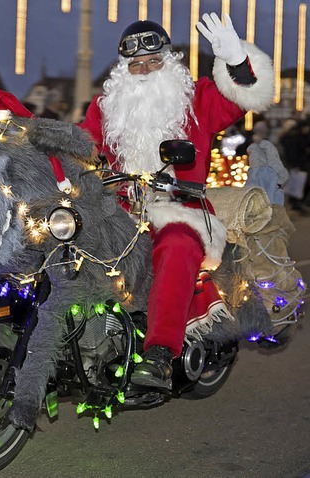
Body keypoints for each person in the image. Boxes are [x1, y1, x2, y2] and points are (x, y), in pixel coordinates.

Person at [80, 13, 273, 389]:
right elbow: (80, 147)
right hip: (118, 211)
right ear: (123, 71)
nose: (145, 70)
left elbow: (240, 101)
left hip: (181, 209)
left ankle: (158, 353)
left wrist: (236, 61)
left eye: (154, 61)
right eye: (135, 65)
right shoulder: (104, 109)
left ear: (169, 62)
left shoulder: (197, 99)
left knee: (178, 244)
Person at [245, 121, 289, 205]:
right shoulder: (268, 146)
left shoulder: (251, 147)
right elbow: (274, 162)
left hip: (254, 178)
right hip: (269, 179)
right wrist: (283, 177)